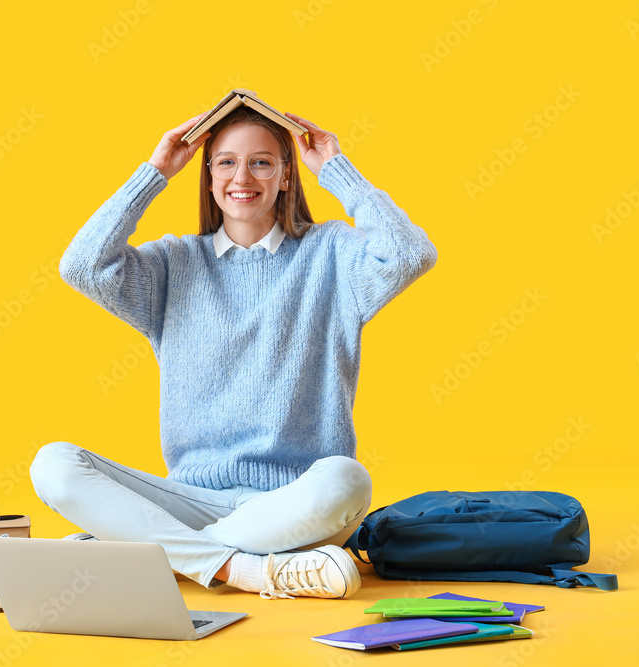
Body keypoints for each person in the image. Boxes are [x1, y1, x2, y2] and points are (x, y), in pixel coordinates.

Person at [29, 103, 437, 600]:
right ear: (207, 176)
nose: (242, 176)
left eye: (262, 162)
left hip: (295, 504)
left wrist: (336, 168)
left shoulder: (332, 254)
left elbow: (410, 253)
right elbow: (83, 266)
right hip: (190, 498)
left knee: (347, 480)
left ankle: (149, 555)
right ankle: (244, 571)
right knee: (54, 464)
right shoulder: (172, 264)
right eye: (225, 162)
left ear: (286, 175)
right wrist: (155, 172)